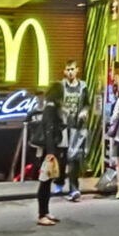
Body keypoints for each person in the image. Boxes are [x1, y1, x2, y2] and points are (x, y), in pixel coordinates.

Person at [60, 60, 89, 202]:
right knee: (63, 158)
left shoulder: (83, 86)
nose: (70, 72)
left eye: (72, 69)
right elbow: (57, 103)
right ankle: (60, 182)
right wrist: (64, 111)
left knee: (74, 159)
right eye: (68, 69)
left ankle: (74, 189)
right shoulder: (61, 86)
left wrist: (84, 112)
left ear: (77, 70)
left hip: (77, 127)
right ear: (64, 72)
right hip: (63, 128)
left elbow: (87, 104)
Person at [36, 82, 65, 226]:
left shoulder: (51, 108)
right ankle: (42, 214)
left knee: (47, 181)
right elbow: (49, 130)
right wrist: (51, 152)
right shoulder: (50, 108)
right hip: (49, 150)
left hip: (50, 149)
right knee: (45, 181)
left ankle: (45, 211)